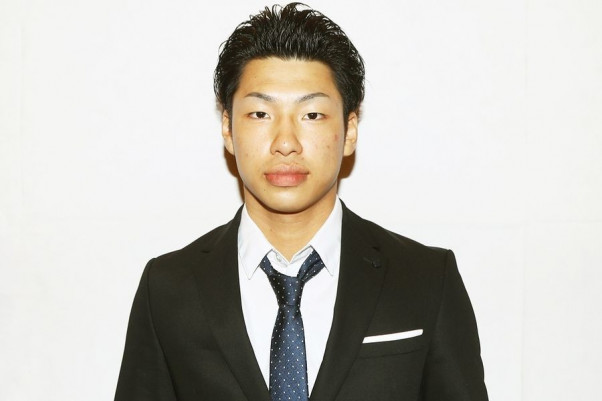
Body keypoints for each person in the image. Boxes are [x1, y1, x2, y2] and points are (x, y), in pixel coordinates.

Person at [114, 3, 488, 400]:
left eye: (311, 115)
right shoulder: (168, 288)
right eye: (260, 113)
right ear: (228, 128)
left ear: (350, 130)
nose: (286, 143)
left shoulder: (426, 280)